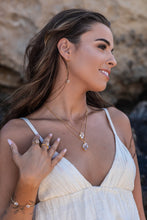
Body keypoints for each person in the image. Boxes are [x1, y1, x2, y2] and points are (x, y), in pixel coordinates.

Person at [0, 8, 146, 220]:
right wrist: (28, 184)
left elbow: (139, 213)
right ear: (66, 49)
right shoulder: (18, 135)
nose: (113, 60)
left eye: (112, 50)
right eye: (102, 47)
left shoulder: (117, 122)